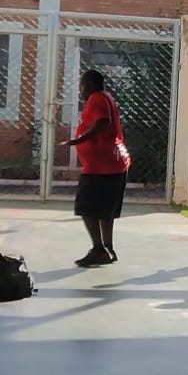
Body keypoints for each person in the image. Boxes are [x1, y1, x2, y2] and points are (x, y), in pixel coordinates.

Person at [64, 70, 131, 267]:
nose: (80, 90)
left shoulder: (96, 99)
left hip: (101, 166)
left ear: (89, 85)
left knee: (86, 208)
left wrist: (80, 139)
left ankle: (98, 248)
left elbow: (103, 121)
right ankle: (107, 248)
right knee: (105, 210)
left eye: (82, 86)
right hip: (112, 163)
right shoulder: (106, 97)